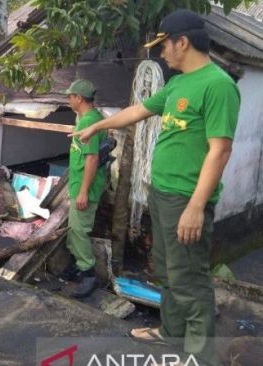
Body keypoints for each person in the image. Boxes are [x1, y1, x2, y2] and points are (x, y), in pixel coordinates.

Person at [71, 9, 240, 366]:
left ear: (183, 42)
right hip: (162, 193)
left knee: (190, 280)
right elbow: (137, 111)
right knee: (166, 270)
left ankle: (199, 357)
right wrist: (96, 128)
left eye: (164, 46)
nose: (161, 53)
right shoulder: (178, 83)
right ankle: (171, 333)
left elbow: (220, 149)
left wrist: (196, 205)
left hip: (187, 199)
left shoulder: (218, 85)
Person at [60, 79, 107, 298]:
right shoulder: (91, 119)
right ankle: (78, 266)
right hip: (80, 183)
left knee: (79, 230)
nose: (68, 100)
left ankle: (89, 274)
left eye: (70, 96)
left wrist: (83, 192)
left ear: (79, 98)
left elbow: (92, 159)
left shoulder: (89, 122)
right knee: (74, 228)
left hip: (85, 186)